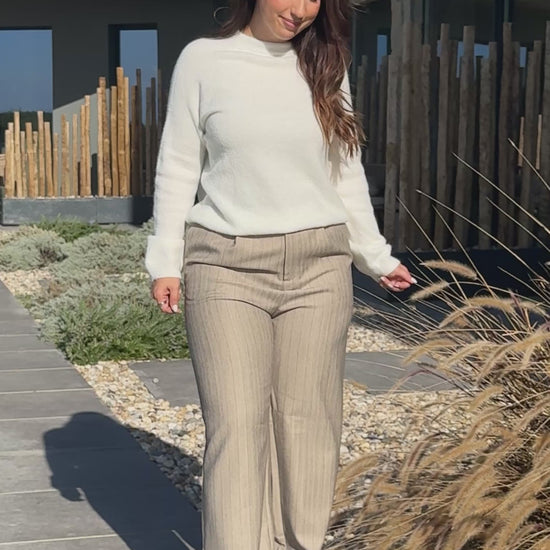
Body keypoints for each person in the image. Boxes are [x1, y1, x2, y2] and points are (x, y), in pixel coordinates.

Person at [144, 0, 415, 548]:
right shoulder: (203, 60)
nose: (301, 9)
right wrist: (165, 260)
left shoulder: (325, 64)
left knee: (310, 424)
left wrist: (373, 253)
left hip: (319, 267)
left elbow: (344, 169)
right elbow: (178, 163)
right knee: (236, 426)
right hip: (225, 264)